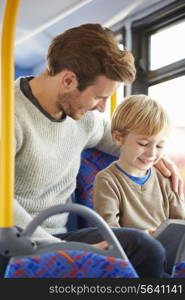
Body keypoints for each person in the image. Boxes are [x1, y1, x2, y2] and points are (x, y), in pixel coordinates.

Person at [4, 23, 182, 278]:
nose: (101, 108)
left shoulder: (83, 117)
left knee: (146, 248)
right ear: (68, 80)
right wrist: (60, 250)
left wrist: (156, 157)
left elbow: (118, 138)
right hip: (13, 243)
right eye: (99, 97)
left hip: (60, 234)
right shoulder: (8, 114)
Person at [93, 94, 185, 274]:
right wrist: (145, 235)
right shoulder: (107, 180)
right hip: (136, 258)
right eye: (143, 143)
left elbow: (180, 222)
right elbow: (109, 232)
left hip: (172, 258)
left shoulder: (165, 177)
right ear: (118, 138)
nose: (152, 153)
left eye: (159, 146)